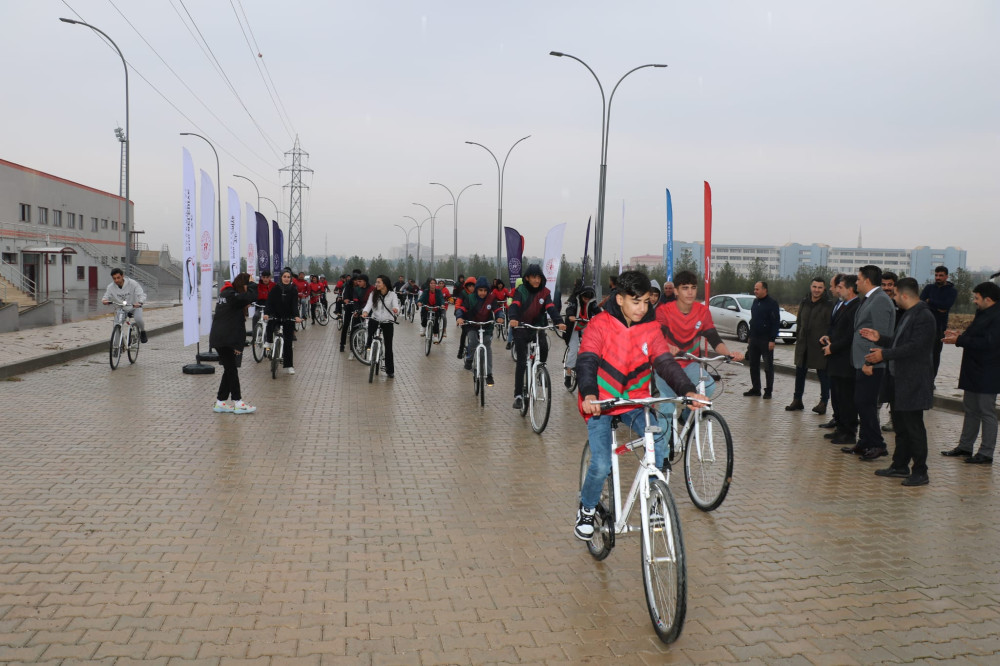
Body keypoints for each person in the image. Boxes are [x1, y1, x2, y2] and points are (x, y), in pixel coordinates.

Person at [575, 270, 708, 540]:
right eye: (636, 302)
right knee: (601, 464)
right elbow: (587, 360)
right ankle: (586, 508)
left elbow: (666, 363)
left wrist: (689, 391)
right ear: (620, 299)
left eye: (646, 301)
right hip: (601, 402)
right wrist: (589, 395)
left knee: (658, 436)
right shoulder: (599, 324)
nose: (642, 308)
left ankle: (654, 499)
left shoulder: (651, 328)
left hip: (635, 401)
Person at [860, 277, 935, 486]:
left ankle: (920, 471)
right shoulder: (908, 314)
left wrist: (884, 355)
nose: (892, 298)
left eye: (894, 294)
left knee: (914, 428)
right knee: (901, 428)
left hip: (913, 382)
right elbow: (900, 341)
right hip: (898, 381)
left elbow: (914, 347)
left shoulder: (924, 316)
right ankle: (899, 465)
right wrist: (881, 339)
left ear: (904, 295)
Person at [654, 270, 744, 420]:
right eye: (685, 288)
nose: (690, 292)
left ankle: (686, 416)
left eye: (693, 287)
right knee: (667, 406)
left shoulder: (702, 312)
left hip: (690, 363)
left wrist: (728, 354)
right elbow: (658, 336)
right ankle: (663, 442)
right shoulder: (664, 311)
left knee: (709, 387)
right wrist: (666, 347)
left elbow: (714, 339)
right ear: (676, 291)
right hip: (667, 364)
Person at [941, 281, 1000, 464]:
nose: (974, 301)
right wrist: (959, 336)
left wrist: (960, 340)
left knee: (986, 412)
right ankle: (965, 447)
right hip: (973, 370)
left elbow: (989, 343)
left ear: (988, 299)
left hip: (988, 372)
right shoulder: (983, 313)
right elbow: (976, 336)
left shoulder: (997, 316)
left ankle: (986, 452)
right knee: (971, 409)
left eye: (976, 298)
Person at [846, 265, 896, 460]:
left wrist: (871, 363)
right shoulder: (870, 299)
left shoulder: (880, 301)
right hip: (862, 361)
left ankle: (878, 444)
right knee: (861, 402)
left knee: (865, 403)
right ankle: (865, 441)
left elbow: (881, 336)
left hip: (872, 363)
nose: (856, 282)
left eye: (858, 279)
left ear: (867, 280)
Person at [507, 263, 566, 410]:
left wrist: (559, 321)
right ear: (527, 278)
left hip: (538, 327)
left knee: (544, 346)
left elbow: (551, 308)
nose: (537, 280)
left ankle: (539, 369)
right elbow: (514, 305)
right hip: (521, 327)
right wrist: (513, 318)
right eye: (534, 277)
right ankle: (518, 395)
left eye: (539, 277)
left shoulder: (545, 292)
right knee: (521, 361)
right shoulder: (521, 290)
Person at [820, 274, 861, 445]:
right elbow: (836, 329)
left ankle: (849, 432)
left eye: (841, 287)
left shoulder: (856, 307)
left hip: (845, 361)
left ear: (850, 289)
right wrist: (828, 338)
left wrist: (833, 347)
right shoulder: (843, 305)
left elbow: (850, 335)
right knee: (837, 396)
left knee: (846, 399)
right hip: (835, 360)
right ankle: (840, 428)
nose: (837, 290)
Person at [209, 272, 258, 413]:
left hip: (221, 338)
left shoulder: (227, 294)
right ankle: (238, 402)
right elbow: (251, 296)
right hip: (224, 340)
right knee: (232, 370)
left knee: (229, 370)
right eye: (246, 286)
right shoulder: (231, 295)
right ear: (242, 285)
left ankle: (220, 402)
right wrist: (253, 284)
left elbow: (233, 320)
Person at [786, 277, 834, 414]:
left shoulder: (828, 304)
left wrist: (826, 340)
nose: (817, 290)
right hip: (803, 345)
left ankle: (823, 402)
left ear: (824, 289)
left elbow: (831, 326)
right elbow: (799, 321)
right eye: (814, 287)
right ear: (810, 287)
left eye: (820, 287)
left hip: (819, 346)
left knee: (823, 375)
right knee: (800, 372)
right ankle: (797, 400)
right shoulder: (804, 302)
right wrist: (799, 336)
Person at [455, 276, 504, 386]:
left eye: (485, 290)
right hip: (472, 325)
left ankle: (489, 374)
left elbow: (497, 310)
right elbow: (462, 309)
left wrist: (500, 316)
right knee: (472, 341)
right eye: (480, 290)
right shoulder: (470, 298)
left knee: (487, 347)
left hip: (487, 326)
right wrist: (459, 317)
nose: (483, 293)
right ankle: (469, 359)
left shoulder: (491, 299)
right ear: (477, 290)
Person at [920, 266, 958, 380]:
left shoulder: (952, 291)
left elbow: (945, 306)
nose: (938, 277)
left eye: (941, 275)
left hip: (939, 328)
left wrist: (930, 301)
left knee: (935, 355)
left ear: (946, 276)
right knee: (922, 354)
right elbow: (921, 302)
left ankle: (931, 380)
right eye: (936, 275)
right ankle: (920, 379)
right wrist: (937, 307)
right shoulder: (929, 288)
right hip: (924, 326)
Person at [744, 281, 779, 399]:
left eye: (757, 289)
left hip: (766, 340)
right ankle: (756, 388)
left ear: (765, 290)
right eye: (754, 289)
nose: (755, 291)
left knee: (768, 366)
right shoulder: (755, 302)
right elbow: (753, 320)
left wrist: (772, 339)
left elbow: (775, 323)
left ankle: (768, 390)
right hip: (754, 338)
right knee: (753, 365)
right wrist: (750, 336)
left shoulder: (772, 303)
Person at [264, 268, 302, 374]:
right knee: (270, 323)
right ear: (281, 277)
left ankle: (289, 365)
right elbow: (269, 302)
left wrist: (296, 316)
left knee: (288, 342)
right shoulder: (275, 288)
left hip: (288, 317)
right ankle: (269, 341)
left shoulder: (293, 290)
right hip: (276, 315)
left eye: (288, 277)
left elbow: (294, 305)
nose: (286, 279)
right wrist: (267, 313)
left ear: (291, 278)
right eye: (284, 277)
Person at [361, 275, 399, 378]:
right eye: (376, 282)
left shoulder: (392, 295)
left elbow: (396, 305)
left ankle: (390, 370)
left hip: (387, 321)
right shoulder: (373, 294)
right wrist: (365, 312)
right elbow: (369, 305)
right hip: (375, 319)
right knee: (370, 333)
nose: (376, 284)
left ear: (385, 284)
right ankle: (369, 348)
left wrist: (396, 309)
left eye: (379, 282)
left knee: (388, 346)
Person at [563, 284, 600, 388]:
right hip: (573, 326)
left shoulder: (592, 302)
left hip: (584, 325)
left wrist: (603, 317)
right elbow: (569, 309)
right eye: (585, 298)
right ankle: (568, 374)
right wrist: (571, 316)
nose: (586, 300)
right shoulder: (574, 300)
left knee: (591, 345)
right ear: (581, 296)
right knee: (573, 349)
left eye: (588, 299)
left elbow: (598, 311)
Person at [102, 267, 148, 343]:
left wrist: (140, 302)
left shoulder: (132, 283)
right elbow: (105, 296)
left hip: (134, 306)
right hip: (121, 307)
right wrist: (104, 301)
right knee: (117, 325)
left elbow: (141, 294)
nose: (116, 280)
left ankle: (143, 331)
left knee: (138, 319)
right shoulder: (110, 287)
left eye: (118, 278)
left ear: (122, 276)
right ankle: (116, 346)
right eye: (114, 278)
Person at [455, 277, 477, 359]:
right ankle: (460, 350)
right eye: (469, 286)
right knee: (464, 333)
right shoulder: (463, 293)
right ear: (466, 286)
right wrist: (458, 313)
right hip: (464, 316)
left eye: (473, 286)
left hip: (475, 316)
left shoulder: (477, 294)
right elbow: (458, 303)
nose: (471, 288)